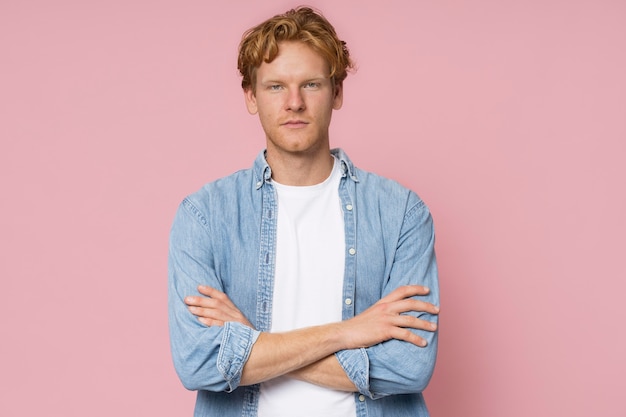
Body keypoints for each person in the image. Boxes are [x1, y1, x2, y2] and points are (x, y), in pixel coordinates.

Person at [168, 6, 440, 417]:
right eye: (275, 87)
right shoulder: (204, 216)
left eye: (310, 84)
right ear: (251, 97)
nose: (294, 103)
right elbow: (199, 363)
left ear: (338, 92)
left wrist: (253, 342)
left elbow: (409, 367)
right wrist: (347, 333)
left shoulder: (401, 213)